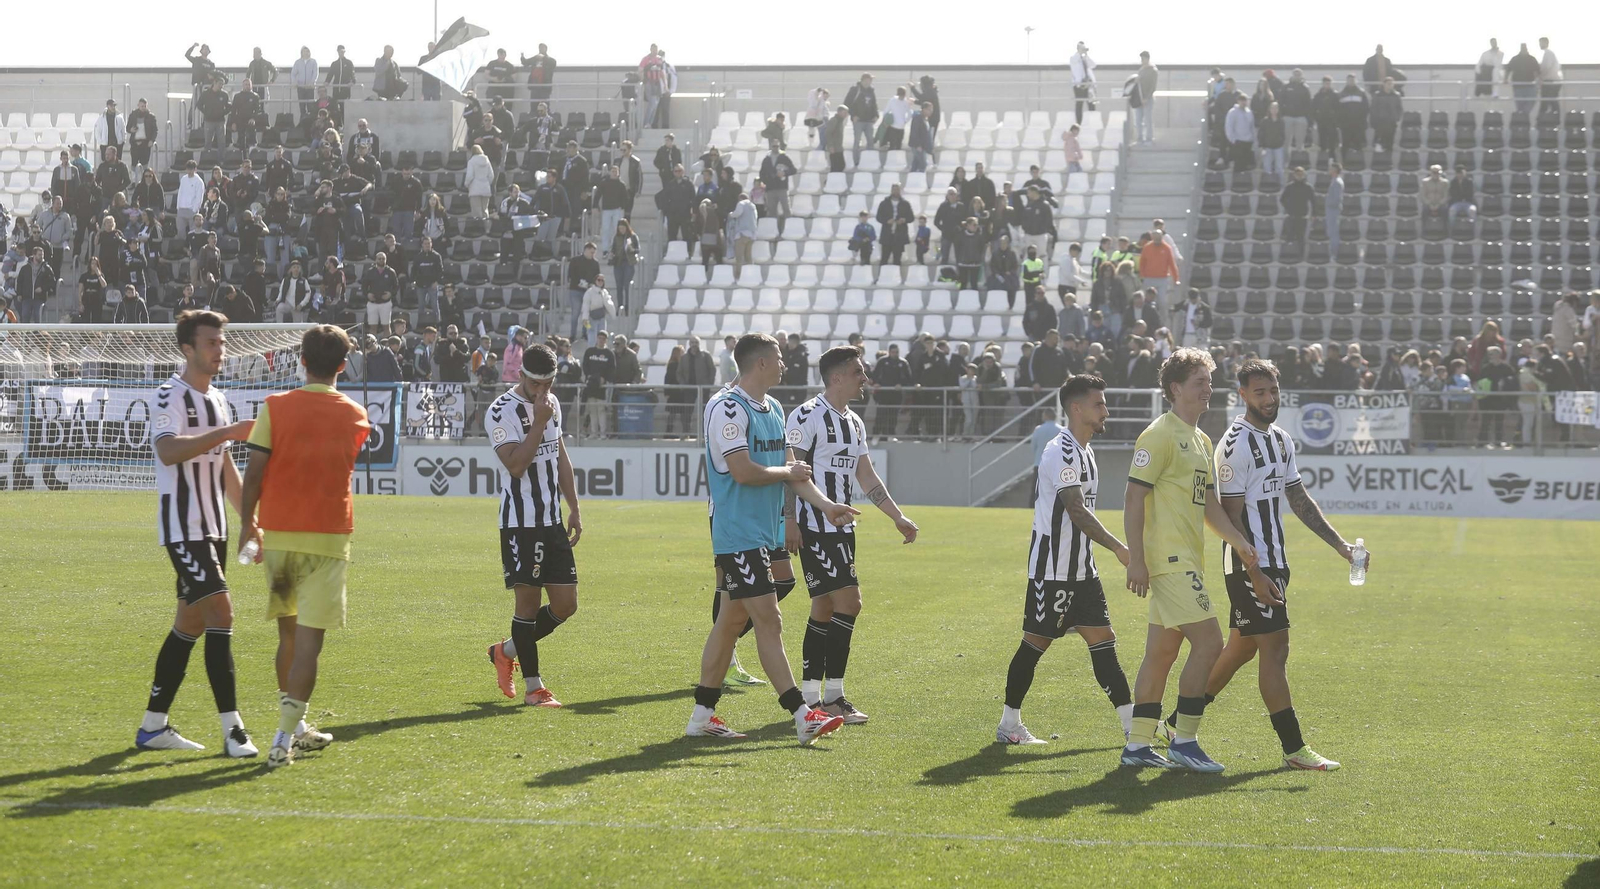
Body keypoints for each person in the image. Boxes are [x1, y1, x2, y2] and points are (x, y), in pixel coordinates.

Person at [1159, 360, 1354, 770]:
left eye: (1273, 391)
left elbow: (1298, 498)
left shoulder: (1280, 440)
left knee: (1242, 649)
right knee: (1276, 649)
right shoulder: (1234, 444)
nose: (1269, 399)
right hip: (1249, 565)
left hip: (1274, 562)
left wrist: (1339, 546)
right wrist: (1255, 571)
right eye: (1259, 392)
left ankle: (1176, 723)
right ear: (1243, 395)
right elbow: (1230, 517)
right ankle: (1294, 749)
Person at [686, 333, 857, 744]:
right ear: (760, 364)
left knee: (730, 623)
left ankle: (701, 715)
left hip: (761, 535)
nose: (785, 364)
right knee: (769, 618)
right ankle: (802, 713)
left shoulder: (775, 407)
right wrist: (788, 475)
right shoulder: (726, 407)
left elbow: (793, 469)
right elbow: (743, 471)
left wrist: (826, 504)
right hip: (736, 534)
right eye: (778, 358)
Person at [1119, 348, 1267, 771]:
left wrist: (1238, 541)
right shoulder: (1159, 434)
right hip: (1169, 560)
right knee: (1210, 643)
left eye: (1209, 381)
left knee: (1161, 654)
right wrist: (1136, 559)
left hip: (1186, 559)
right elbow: (1133, 497)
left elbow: (1208, 506)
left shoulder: (1202, 440)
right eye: (1200, 381)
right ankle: (1184, 741)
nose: (1208, 388)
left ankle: (1137, 746)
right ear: (1175, 389)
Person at [240, 325, 370, 768]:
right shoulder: (356, 415)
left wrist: (246, 526)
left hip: (279, 538)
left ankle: (295, 727)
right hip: (329, 539)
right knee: (309, 644)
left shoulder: (274, 407)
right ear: (341, 365)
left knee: (288, 635)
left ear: (300, 361)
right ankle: (283, 736)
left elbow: (255, 472)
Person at [135, 311, 260, 757]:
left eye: (222, 342)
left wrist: (250, 522)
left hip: (214, 530)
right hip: (183, 530)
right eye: (211, 342)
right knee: (222, 615)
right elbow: (168, 451)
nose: (219, 350)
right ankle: (234, 731)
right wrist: (227, 432)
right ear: (187, 348)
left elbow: (226, 469)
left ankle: (153, 727)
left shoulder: (221, 399)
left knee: (190, 621)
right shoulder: (168, 394)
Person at [998, 374, 1135, 744]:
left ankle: (1133, 729)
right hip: (1052, 571)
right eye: (1099, 404)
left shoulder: (1086, 451)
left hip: (1081, 571)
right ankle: (1009, 725)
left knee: (1104, 641)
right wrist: (1119, 548)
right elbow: (1075, 509)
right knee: (1034, 644)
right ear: (1077, 408)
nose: (1106, 410)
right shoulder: (1059, 451)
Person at [786, 346, 918, 723]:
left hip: (843, 528)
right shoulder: (807, 415)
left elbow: (867, 477)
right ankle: (833, 696)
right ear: (837, 376)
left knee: (825, 606)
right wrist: (790, 520)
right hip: (814, 525)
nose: (865, 378)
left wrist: (898, 517)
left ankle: (812, 698)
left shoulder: (854, 422)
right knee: (851, 602)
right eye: (859, 372)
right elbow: (790, 468)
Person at [479, 343, 584, 708]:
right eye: (536, 383)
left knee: (566, 605)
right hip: (520, 524)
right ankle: (534, 688)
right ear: (520, 375)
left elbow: (561, 457)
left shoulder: (552, 405)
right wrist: (538, 422)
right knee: (527, 605)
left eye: (549, 384)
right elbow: (516, 465)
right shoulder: (499, 411)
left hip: (551, 520)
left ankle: (505, 650)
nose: (542, 391)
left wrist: (573, 507)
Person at [843, 73, 879, 166]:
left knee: (870, 141)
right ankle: (856, 162)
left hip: (869, 120)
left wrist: (876, 115)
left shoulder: (871, 91)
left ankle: (870, 161)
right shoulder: (855, 89)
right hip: (858, 120)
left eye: (870, 80)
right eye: (867, 80)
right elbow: (846, 103)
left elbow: (874, 104)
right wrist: (853, 115)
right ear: (863, 80)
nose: (869, 82)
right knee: (857, 141)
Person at [1505, 43, 1540, 116]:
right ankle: (1521, 119)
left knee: (1529, 105)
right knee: (1519, 106)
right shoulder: (1515, 59)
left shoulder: (1531, 59)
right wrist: (1505, 79)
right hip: (1518, 86)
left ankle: (1525, 116)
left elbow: (1537, 72)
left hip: (1530, 86)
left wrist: (1539, 82)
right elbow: (1508, 69)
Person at [1224, 95, 1255, 172]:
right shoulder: (1232, 112)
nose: (1243, 102)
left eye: (1245, 100)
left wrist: (1252, 138)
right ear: (1238, 101)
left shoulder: (1249, 112)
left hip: (1248, 142)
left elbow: (1252, 126)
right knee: (1238, 165)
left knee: (1246, 165)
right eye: (1241, 100)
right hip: (1238, 142)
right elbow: (1229, 127)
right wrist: (1233, 140)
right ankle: (1237, 182)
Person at [1069, 42, 1096, 125]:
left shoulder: (1085, 59)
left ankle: (1092, 122)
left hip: (1088, 84)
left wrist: (1086, 55)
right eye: (1082, 48)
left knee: (1091, 103)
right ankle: (1078, 123)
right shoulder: (1074, 58)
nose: (1083, 49)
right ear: (1078, 48)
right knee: (1079, 104)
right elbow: (1075, 64)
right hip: (1079, 85)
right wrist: (1080, 53)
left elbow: (1093, 65)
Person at [1134, 51, 1158, 145]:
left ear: (1147, 59)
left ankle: (1149, 138)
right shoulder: (1141, 70)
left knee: (1148, 119)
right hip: (1139, 97)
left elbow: (1153, 86)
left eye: (1143, 59)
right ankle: (1140, 138)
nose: (1142, 61)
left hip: (1148, 98)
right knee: (1138, 119)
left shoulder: (1153, 70)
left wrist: (1147, 98)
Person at [1538, 37, 1562, 116]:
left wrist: (1540, 76)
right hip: (1553, 80)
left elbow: (1546, 67)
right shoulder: (1549, 53)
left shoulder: (1548, 53)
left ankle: (1543, 119)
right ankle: (1554, 118)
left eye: (1541, 43)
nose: (1540, 45)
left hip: (1550, 81)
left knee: (1547, 101)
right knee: (1552, 100)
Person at [1326, 163, 1345, 255]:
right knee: (1331, 232)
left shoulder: (1337, 182)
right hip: (1331, 209)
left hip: (1333, 210)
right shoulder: (1334, 180)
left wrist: (1329, 204)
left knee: (1333, 233)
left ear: (1335, 170)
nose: (1329, 170)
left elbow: (1337, 198)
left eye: (1331, 168)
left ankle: (1334, 253)